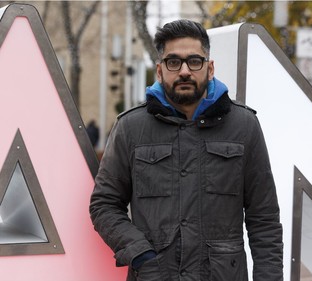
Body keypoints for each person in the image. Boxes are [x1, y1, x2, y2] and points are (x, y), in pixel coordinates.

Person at [89, 19, 283, 281]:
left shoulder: (243, 126)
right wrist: (140, 254)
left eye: (194, 61)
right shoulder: (131, 128)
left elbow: (264, 218)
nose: (184, 71)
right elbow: (104, 204)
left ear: (210, 68)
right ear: (159, 71)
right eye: (173, 62)